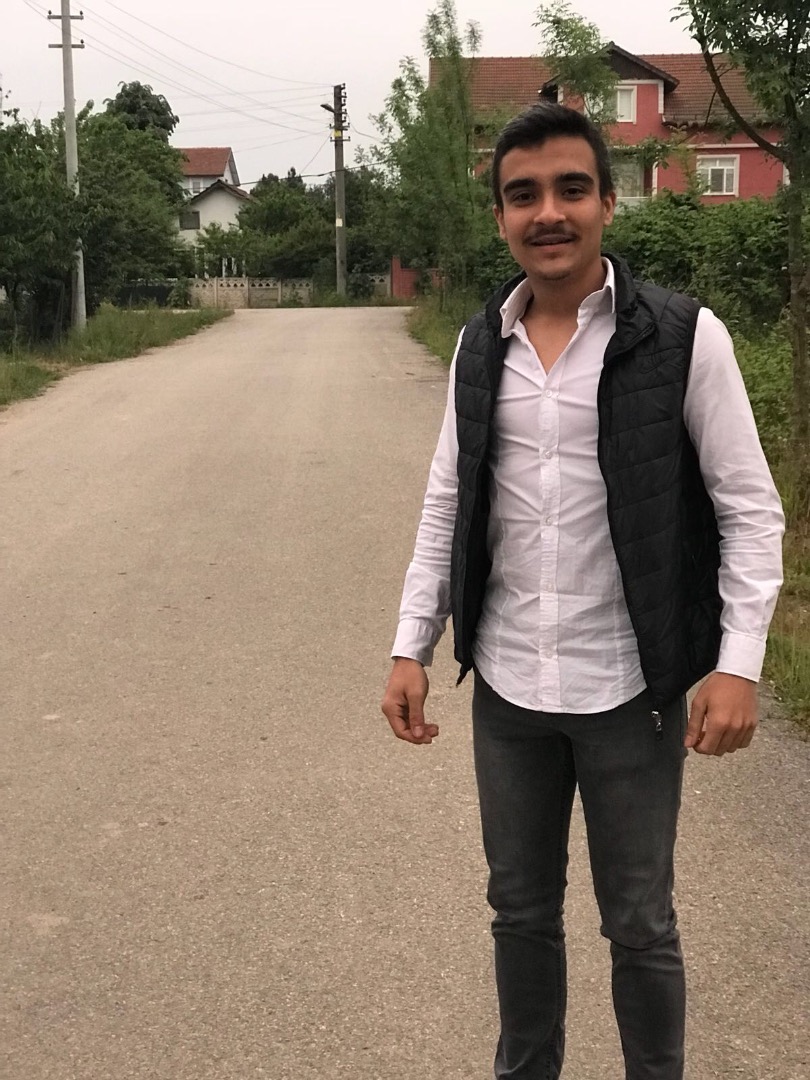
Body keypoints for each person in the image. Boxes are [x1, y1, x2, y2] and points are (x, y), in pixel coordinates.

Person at [380, 103, 784, 1080]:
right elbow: (448, 503)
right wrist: (410, 644)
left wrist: (737, 665)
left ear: (608, 201)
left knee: (640, 921)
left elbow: (749, 509)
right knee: (518, 912)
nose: (548, 212)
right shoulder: (481, 346)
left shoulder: (684, 337)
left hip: (629, 691)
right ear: (500, 217)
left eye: (570, 189)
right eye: (523, 195)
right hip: (510, 688)